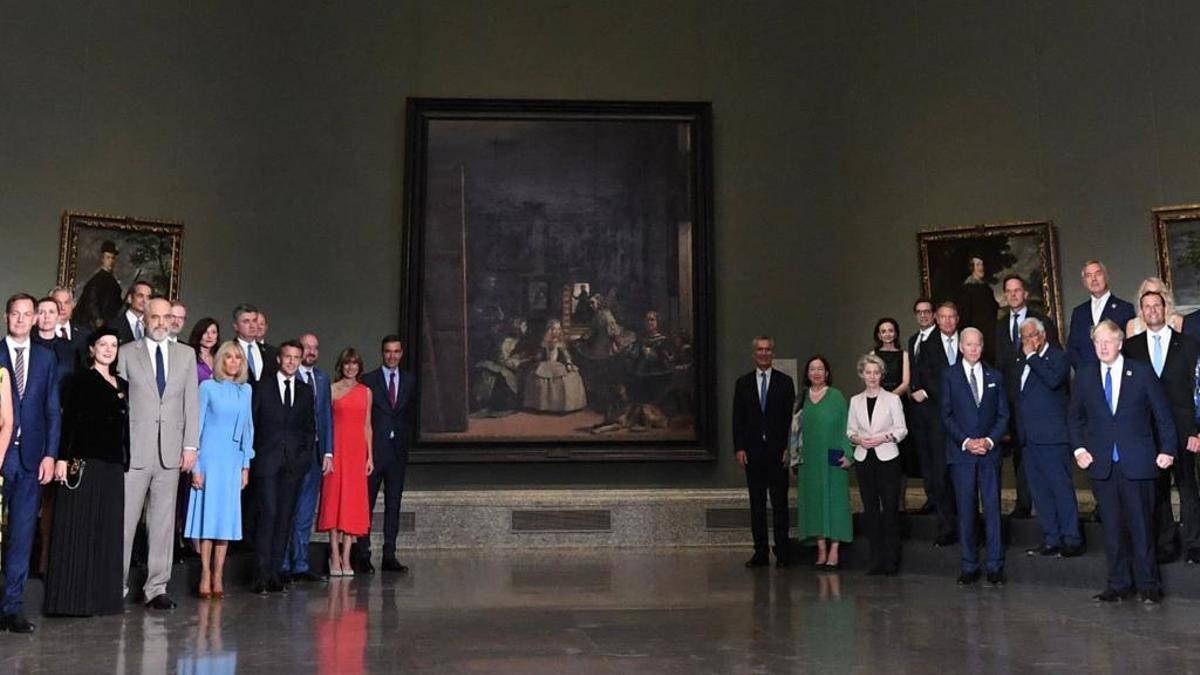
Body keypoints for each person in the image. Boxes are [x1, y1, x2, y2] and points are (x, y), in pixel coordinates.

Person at [1069, 320, 1176, 604]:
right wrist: (1079, 449)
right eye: (1097, 342)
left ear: (1119, 343)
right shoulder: (1085, 375)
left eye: (1108, 341)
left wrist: (1167, 449)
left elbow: (1162, 414)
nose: (1102, 346)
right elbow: (1075, 418)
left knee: (1141, 527)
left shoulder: (1140, 372)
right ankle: (1118, 585)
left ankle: (1149, 586)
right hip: (1102, 466)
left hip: (1138, 463)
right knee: (1113, 529)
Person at [118, 296, 200, 610]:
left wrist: (190, 446)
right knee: (124, 523)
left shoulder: (186, 355)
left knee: (163, 524)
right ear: (145, 320)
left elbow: (190, 404)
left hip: (171, 452)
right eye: (155, 317)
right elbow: (119, 406)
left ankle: (157, 587)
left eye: (167, 317)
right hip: (135, 452)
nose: (161, 323)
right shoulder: (126, 354)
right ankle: (117, 585)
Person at [43, 328, 127, 616]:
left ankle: (103, 600)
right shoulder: (79, 380)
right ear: (91, 349)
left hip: (113, 465)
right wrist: (62, 459)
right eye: (102, 344)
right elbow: (70, 423)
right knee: (79, 528)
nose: (108, 349)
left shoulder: (123, 383)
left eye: (113, 345)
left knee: (107, 530)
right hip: (84, 462)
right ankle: (71, 601)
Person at [1122, 290, 1199, 564]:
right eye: (1147, 306)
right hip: (1148, 431)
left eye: (1157, 305)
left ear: (1165, 309)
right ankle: (1166, 544)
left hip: (1183, 429)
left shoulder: (1188, 345)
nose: (1152, 310)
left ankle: (1194, 545)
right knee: (1159, 489)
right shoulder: (1131, 348)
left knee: (1188, 487)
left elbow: (1196, 389)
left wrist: (1196, 430)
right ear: (1141, 312)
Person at [0, 293, 61, 633]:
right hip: (0, 454)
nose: (21, 320)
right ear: (7, 317)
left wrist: (51, 454)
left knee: (22, 535)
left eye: (27, 314)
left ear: (36, 318)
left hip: (31, 458)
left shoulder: (45, 358)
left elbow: (52, 409)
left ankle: (11, 608)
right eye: (15, 314)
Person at [184, 340, 253, 600]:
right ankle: (204, 573)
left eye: (238, 358)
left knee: (226, 520)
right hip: (209, 460)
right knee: (208, 519)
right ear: (220, 360)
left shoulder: (246, 390)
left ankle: (218, 574)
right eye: (228, 357)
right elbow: (196, 428)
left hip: (232, 461)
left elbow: (248, 429)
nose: (233, 362)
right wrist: (196, 468)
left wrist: (246, 465)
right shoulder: (207, 388)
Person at [941, 326, 1009, 586]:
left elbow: (1004, 415)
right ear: (961, 346)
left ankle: (995, 565)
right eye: (968, 344)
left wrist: (989, 441)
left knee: (992, 510)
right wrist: (967, 442)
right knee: (967, 510)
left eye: (978, 344)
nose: (973, 348)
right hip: (962, 455)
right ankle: (969, 565)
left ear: (982, 346)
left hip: (990, 454)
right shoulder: (949, 376)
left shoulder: (995, 376)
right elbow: (945, 415)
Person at [1014, 318, 1083, 557]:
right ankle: (1051, 538)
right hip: (1029, 438)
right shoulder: (1020, 361)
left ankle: (1072, 539)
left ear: (1042, 336)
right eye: (1024, 337)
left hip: (1053, 437)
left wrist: (1032, 357)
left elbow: (1053, 381)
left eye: (1032, 335)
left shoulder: (1057, 357)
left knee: (1061, 489)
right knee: (1040, 493)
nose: (1028, 341)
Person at [251, 340, 315, 593]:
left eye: (296, 358)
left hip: (293, 466)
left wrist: (303, 457)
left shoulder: (305, 391)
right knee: (268, 515)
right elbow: (252, 424)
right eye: (287, 357)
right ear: (279, 359)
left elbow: (310, 428)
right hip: (266, 461)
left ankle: (276, 573)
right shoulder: (262, 387)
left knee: (285, 518)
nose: (291, 362)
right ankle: (261, 573)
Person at [994, 274, 1060, 519]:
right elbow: (1000, 364)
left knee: (1042, 451)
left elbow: (1053, 357)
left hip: (1039, 398)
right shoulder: (1000, 327)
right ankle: (1023, 503)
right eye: (1008, 291)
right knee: (1020, 452)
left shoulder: (1042, 321)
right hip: (1012, 399)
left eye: (1017, 290)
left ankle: (1047, 505)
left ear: (1025, 293)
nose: (1012, 295)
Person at [732, 336, 796, 568]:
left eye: (768, 349)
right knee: (757, 505)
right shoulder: (743, 383)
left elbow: (792, 420)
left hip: (778, 453)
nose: (764, 353)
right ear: (753, 354)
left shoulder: (786, 382)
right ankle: (760, 551)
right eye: (759, 349)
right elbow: (737, 418)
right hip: (753, 453)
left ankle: (782, 551)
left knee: (780, 504)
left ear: (773, 353)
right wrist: (739, 447)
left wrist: (789, 448)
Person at [353, 336, 415, 573]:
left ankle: (390, 554)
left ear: (401, 354)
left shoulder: (410, 380)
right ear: (382, 353)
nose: (392, 356)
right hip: (373, 453)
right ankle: (363, 554)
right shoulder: (369, 380)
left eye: (396, 352)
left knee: (394, 505)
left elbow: (410, 415)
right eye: (388, 351)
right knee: (365, 505)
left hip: (397, 453)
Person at [847, 353, 908, 575]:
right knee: (870, 511)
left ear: (882, 375)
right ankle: (875, 560)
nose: (872, 377)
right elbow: (850, 431)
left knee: (890, 510)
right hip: (864, 459)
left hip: (888, 458)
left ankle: (892, 561)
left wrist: (883, 438)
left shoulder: (893, 399)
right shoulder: (855, 401)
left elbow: (902, 430)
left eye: (876, 373)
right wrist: (859, 440)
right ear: (862, 375)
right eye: (868, 373)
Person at [283, 333, 335, 583]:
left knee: (305, 513)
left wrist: (328, 451)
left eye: (315, 348)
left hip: (315, 455)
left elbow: (326, 415)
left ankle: (301, 564)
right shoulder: (287, 378)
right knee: (287, 509)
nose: (310, 352)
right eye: (306, 347)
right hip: (292, 455)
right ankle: (282, 564)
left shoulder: (322, 378)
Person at [318, 348, 373, 576]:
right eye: (347, 364)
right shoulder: (330, 390)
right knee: (334, 500)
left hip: (357, 452)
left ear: (360, 367)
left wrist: (370, 456)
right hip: (336, 452)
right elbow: (324, 423)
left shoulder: (366, 392)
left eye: (355, 364)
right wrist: (326, 453)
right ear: (341, 366)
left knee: (352, 502)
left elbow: (367, 425)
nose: (351, 367)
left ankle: (347, 556)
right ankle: (334, 553)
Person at [910, 302, 960, 546]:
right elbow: (927, 378)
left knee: (966, 475)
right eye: (943, 317)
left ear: (957, 319)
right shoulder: (926, 346)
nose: (948, 321)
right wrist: (951, 402)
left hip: (968, 421)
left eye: (952, 317)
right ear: (937, 320)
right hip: (939, 418)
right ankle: (946, 527)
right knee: (941, 475)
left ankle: (971, 526)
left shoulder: (970, 341)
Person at [795, 356, 853, 568]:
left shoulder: (836, 396)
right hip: (809, 459)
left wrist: (849, 454)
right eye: (812, 369)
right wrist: (792, 456)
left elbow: (847, 425)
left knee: (835, 501)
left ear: (827, 373)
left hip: (833, 456)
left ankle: (835, 549)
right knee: (814, 502)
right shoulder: (801, 398)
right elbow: (794, 430)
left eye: (820, 369)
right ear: (807, 373)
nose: (816, 372)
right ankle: (820, 548)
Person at [1067, 260, 1136, 372]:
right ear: (1084, 282)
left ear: (1106, 277)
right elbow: (1072, 348)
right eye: (1089, 276)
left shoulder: (1125, 308)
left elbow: (1131, 346)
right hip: (1088, 378)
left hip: (1118, 376)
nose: (1094, 279)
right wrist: (1085, 372)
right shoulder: (1078, 312)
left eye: (1098, 274)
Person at [906, 298, 938, 513]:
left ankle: (941, 501)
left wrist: (926, 392)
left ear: (933, 314)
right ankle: (931, 498)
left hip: (935, 406)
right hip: (917, 410)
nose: (923, 315)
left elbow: (943, 372)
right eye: (919, 312)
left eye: (927, 311)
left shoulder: (941, 338)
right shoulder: (913, 340)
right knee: (924, 457)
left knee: (937, 457)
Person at [523, 320, 586, 413]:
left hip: (558, 365)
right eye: (553, 329)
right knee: (538, 377)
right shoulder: (544, 343)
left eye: (558, 329)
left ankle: (561, 406)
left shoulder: (560, 343)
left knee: (569, 377)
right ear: (549, 330)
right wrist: (537, 359)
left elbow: (566, 355)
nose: (556, 331)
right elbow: (539, 355)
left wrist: (568, 363)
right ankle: (542, 406)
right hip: (546, 364)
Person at [75, 240, 124, 330]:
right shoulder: (96, 280)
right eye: (108, 258)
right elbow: (91, 301)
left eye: (113, 258)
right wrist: (98, 319)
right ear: (102, 259)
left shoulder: (112, 279)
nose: (111, 261)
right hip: (97, 326)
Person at [958, 257, 999, 362]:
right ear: (972, 268)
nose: (981, 267)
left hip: (991, 339)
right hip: (977, 340)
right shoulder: (967, 289)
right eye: (978, 265)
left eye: (982, 264)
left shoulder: (986, 288)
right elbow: (965, 316)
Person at [233, 304, 276, 384]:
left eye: (254, 320)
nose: (252, 326)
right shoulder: (228, 351)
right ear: (236, 326)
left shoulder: (271, 352)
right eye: (246, 321)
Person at [49, 286, 88, 368]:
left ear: (73, 305)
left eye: (67, 303)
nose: (62, 307)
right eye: (58, 303)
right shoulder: (42, 333)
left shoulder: (84, 334)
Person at [108, 280, 153, 345]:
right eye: (140, 296)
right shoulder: (113, 326)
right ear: (130, 298)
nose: (144, 300)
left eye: (148, 297)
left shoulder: (152, 326)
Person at [188, 318, 220, 383]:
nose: (210, 336)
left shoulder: (221, 357)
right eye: (205, 332)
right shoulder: (189, 356)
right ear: (198, 334)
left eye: (213, 332)